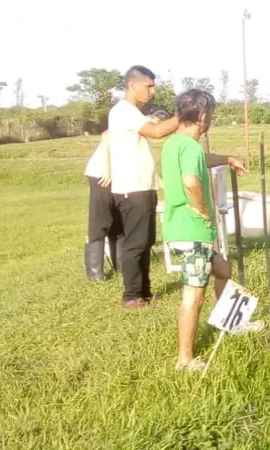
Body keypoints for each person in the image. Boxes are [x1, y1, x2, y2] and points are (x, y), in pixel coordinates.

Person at [160, 89, 247, 372]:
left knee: (223, 270)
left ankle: (232, 324)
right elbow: (190, 180)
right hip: (194, 231)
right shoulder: (191, 147)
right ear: (201, 116)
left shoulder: (175, 143)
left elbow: (200, 161)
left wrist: (228, 158)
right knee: (194, 295)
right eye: (210, 115)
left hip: (178, 229)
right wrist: (203, 209)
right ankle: (185, 359)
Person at [108, 65, 180, 308]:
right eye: (148, 85)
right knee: (135, 244)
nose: (152, 90)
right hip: (132, 188)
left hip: (143, 187)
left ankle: (144, 293)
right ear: (132, 85)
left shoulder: (133, 112)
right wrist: (184, 116)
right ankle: (131, 296)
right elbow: (158, 132)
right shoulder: (124, 111)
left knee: (146, 242)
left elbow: (155, 125)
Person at [82, 130, 122, 281]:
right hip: (101, 174)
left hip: (117, 176)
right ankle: (95, 273)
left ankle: (121, 266)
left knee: (118, 220)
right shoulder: (133, 121)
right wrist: (108, 168)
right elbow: (106, 136)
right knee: (101, 221)